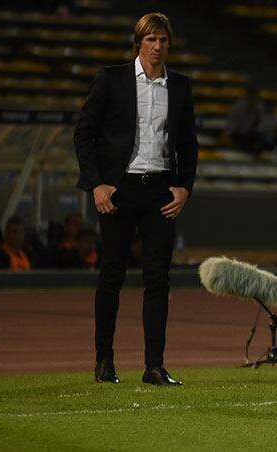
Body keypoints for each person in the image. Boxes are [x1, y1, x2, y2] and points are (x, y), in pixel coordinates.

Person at [74, 12, 198, 386]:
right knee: (111, 274)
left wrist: (184, 187)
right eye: (150, 40)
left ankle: (154, 366)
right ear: (138, 44)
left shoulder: (179, 86)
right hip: (118, 190)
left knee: (158, 280)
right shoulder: (111, 80)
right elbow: (84, 134)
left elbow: (189, 144)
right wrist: (97, 184)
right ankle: (104, 362)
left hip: (160, 191)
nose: (157, 46)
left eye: (163, 40)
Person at [223, 85, 276, 157]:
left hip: (252, 134)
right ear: (247, 97)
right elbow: (234, 126)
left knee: (265, 141)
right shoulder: (239, 107)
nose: (254, 100)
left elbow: (261, 125)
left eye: (255, 98)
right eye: (251, 97)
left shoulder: (259, 108)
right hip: (237, 133)